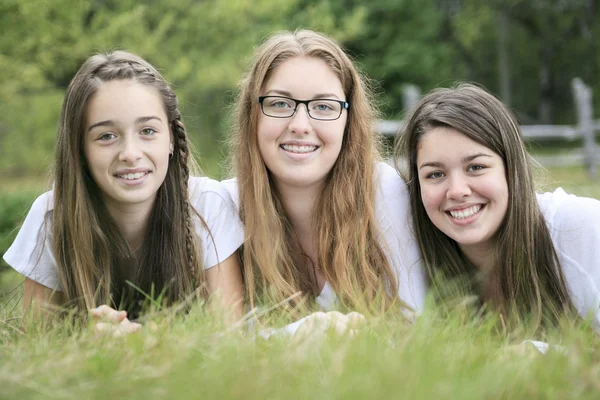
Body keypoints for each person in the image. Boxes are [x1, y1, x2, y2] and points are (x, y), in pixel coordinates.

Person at [4, 51, 244, 330]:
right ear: (80, 149)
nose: (130, 154)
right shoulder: (52, 217)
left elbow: (229, 334)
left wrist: (143, 343)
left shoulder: (206, 206)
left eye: (148, 131)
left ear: (171, 139)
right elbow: (37, 341)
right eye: (107, 136)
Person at [223, 29, 426, 318]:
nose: (300, 125)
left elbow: (413, 326)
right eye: (280, 103)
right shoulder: (227, 207)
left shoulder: (384, 192)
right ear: (253, 115)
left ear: (348, 120)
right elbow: (226, 340)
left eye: (323, 106)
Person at [396, 83, 600, 331]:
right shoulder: (412, 258)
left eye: (476, 167)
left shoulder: (581, 229)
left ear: (511, 168)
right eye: (436, 174)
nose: (457, 190)